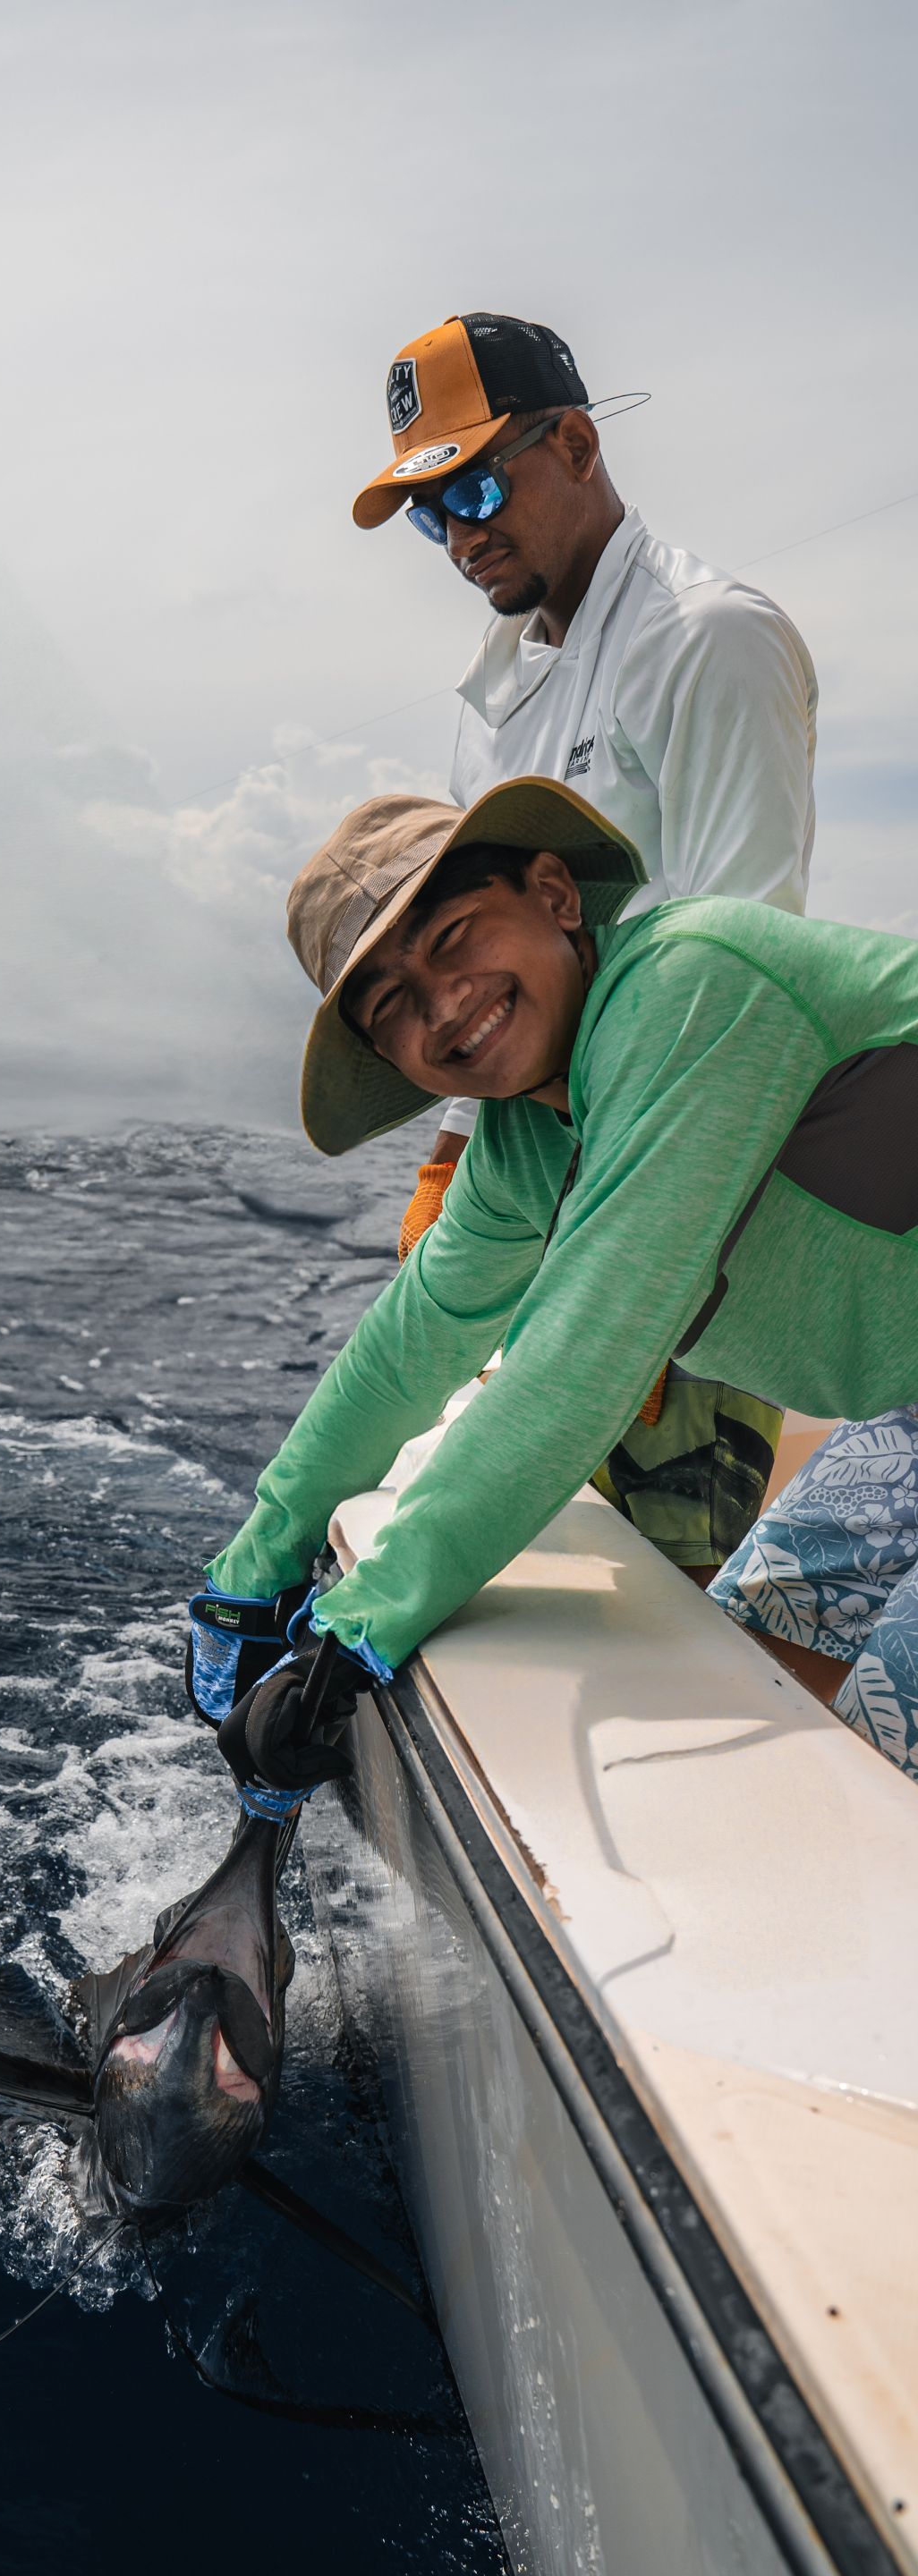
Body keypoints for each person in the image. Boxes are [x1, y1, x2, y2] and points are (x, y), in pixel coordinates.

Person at [188, 778, 918, 1809]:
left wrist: (362, 1629)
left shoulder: (692, 981)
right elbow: (418, 1338)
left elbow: (588, 1349)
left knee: (890, 1719)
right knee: (757, 1642)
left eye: (452, 937)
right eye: (393, 1003)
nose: (444, 1005)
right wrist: (256, 1562)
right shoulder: (525, 1141)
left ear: (555, 895)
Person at [358, 312, 818, 1583]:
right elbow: (484, 986)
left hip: (686, 1226)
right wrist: (452, 1172)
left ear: (574, 439)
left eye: (480, 484)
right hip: (550, 1217)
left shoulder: (708, 637)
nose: (458, 533)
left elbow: (740, 977)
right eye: (427, 510)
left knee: (652, 1600)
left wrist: (646, 1280)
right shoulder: (498, 691)